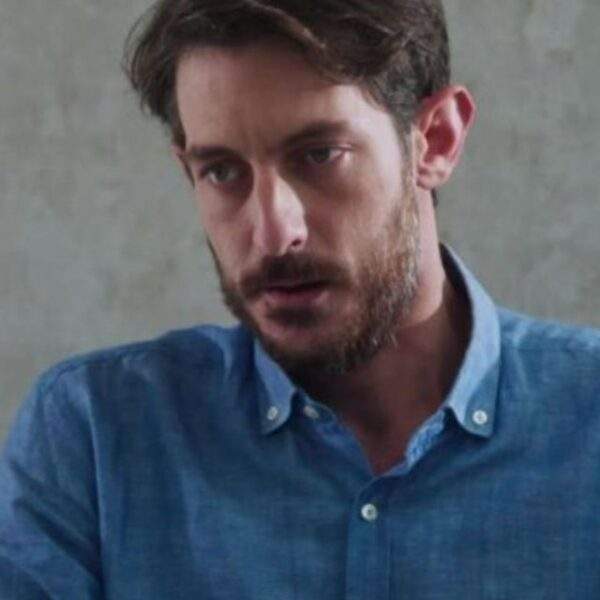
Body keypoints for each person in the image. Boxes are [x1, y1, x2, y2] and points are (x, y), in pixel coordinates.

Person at [1, 0, 600, 597]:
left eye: (320, 156)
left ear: (436, 140)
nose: (273, 232)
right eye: (223, 171)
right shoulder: (95, 438)